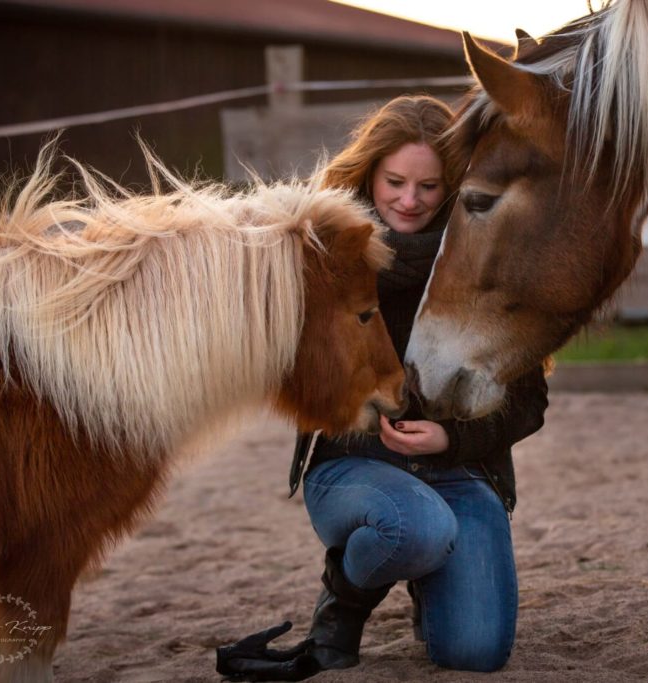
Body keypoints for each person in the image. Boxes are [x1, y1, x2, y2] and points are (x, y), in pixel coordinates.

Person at [216, 95, 549, 680]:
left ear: (453, 185)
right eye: (395, 181)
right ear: (370, 174)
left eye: (428, 186)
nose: (409, 200)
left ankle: (431, 579)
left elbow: (528, 402)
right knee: (418, 527)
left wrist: (448, 440)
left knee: (474, 653)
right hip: (353, 465)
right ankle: (340, 610)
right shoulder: (324, 256)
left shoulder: (488, 261)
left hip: (463, 471)